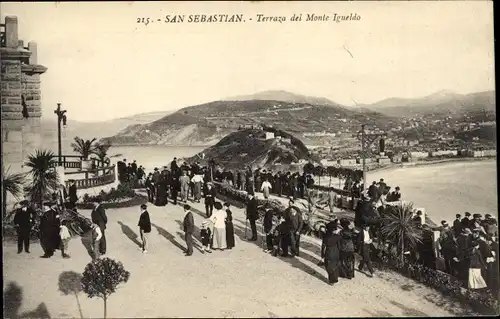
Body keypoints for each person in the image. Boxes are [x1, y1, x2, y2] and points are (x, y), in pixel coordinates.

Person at [321, 220, 342, 285]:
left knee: (329, 266)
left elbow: (323, 246)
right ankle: (334, 279)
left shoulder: (325, 237)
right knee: (335, 266)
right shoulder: (337, 237)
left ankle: (331, 280)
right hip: (335, 252)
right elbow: (339, 245)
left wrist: (322, 254)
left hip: (328, 252)